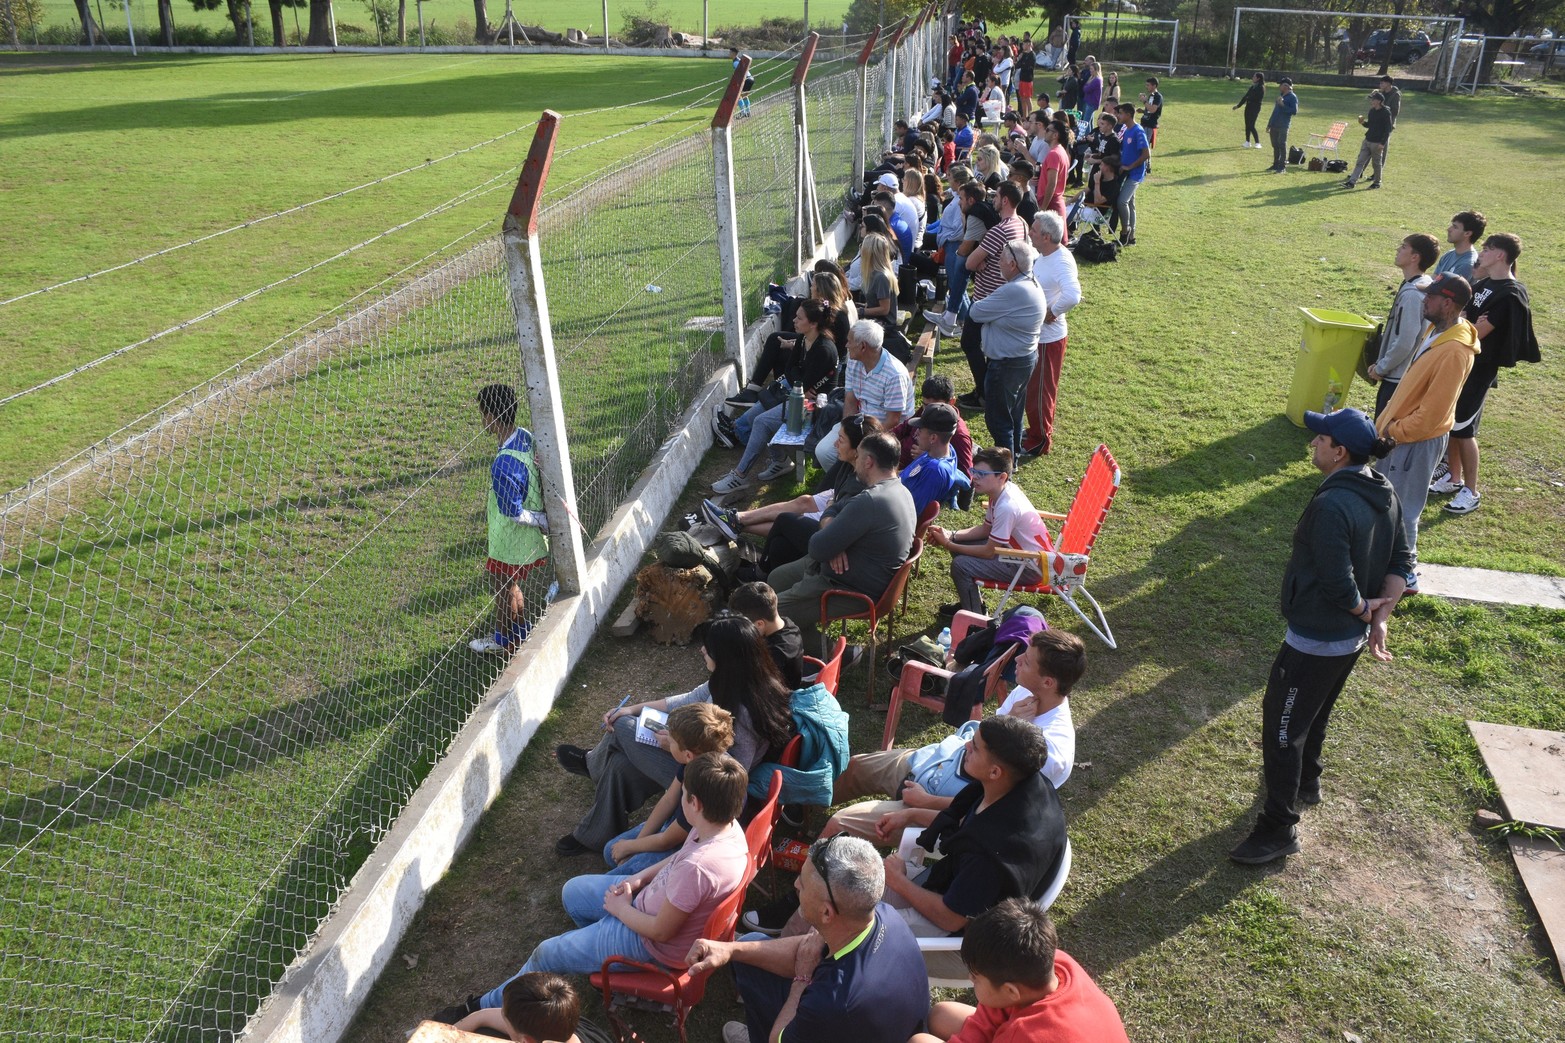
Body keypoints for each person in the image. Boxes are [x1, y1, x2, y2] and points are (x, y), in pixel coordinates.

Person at [1230, 409, 1411, 864]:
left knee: (1283, 728)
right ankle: (1308, 780)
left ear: (1339, 452)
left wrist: (1360, 608)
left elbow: (1336, 578)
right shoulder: (1382, 488)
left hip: (1317, 638)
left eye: (1320, 439)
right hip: (1347, 641)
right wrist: (1377, 617)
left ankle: (1278, 828)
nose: (1313, 445)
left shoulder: (1333, 505)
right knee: (1315, 711)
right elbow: (1402, 560)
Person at [473, 753, 751, 996]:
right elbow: (679, 856)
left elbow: (661, 931)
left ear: (696, 803)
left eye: (684, 794)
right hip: (644, 905)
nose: (680, 798)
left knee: (546, 952)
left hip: (650, 943)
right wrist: (640, 878)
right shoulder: (723, 825)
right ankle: (598, 955)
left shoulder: (698, 868)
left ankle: (488, 1004)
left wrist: (621, 910)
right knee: (572, 892)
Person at [554, 615, 795, 853]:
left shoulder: (742, 710)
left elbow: (730, 769)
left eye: (708, 648)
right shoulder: (738, 679)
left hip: (707, 779)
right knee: (619, 764)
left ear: (725, 656)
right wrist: (634, 708)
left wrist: (673, 746)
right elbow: (686, 700)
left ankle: (592, 765)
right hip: (692, 758)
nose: (701, 650)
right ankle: (595, 835)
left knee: (623, 726)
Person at [870, 714, 1068, 973]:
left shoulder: (990, 855)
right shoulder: (1027, 785)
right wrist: (911, 814)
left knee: (849, 922)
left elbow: (950, 918)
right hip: (956, 887)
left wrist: (899, 881)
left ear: (995, 771)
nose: (966, 747)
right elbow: (969, 821)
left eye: (974, 747)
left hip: (953, 934)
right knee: (846, 891)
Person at [690, 835, 930, 1043]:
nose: (795, 885)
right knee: (747, 950)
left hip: (842, 1021)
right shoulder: (883, 915)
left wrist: (802, 979)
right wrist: (730, 950)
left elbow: (779, 1039)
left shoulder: (832, 1001)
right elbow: (809, 947)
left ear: (827, 913)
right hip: (873, 1025)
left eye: (802, 884)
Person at [1372, 273, 1479, 588]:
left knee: (1404, 510)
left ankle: (1406, 574)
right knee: (1388, 504)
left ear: (1447, 303)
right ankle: (1386, 564)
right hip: (1403, 436)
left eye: (1430, 297)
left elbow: (1432, 414)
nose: (1424, 301)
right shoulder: (1437, 330)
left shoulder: (1455, 352)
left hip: (1415, 441)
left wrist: (1394, 430)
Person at [770, 431, 917, 649]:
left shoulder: (870, 500)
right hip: (849, 575)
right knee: (776, 578)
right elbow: (836, 508)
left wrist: (832, 539)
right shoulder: (900, 491)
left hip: (848, 588)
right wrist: (835, 537)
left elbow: (818, 546)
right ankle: (805, 641)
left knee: (770, 616)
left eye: (858, 456)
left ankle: (838, 654)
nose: (855, 462)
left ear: (868, 462)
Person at [908, 900, 1130, 1043]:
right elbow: (992, 1010)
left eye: (976, 977)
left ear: (1011, 991)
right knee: (941, 1013)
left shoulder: (1025, 1034)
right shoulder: (1057, 962)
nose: (970, 978)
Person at [1431, 234, 1541, 516]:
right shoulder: (1484, 284)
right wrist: (1468, 323)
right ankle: (1453, 479)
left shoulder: (1510, 294)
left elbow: (1476, 333)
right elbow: (1464, 322)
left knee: (1465, 431)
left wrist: (1467, 324)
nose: (1483, 252)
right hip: (1461, 365)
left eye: (1489, 249)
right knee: (1452, 425)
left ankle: (1472, 491)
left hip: (1478, 371)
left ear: (1501, 256)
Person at [704, 416, 884, 577]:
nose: (835, 444)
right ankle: (735, 520)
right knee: (803, 502)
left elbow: (835, 522)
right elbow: (830, 497)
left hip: (835, 534)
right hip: (834, 509)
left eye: (841, 440)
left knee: (785, 524)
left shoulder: (859, 484)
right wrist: (830, 503)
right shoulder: (847, 464)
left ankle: (759, 566)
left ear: (857, 450)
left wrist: (830, 506)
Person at [711, 299, 839, 494]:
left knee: (763, 421)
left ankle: (739, 476)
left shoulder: (823, 349)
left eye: (799, 317)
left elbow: (801, 381)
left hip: (817, 407)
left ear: (813, 323)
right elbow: (791, 372)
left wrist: (799, 380)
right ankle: (781, 461)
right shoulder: (804, 339)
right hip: (800, 396)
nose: (794, 320)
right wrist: (799, 380)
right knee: (757, 413)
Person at [600, 703, 736, 878]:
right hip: (674, 829)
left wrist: (630, 847)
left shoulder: (706, 791)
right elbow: (668, 801)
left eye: (671, 742)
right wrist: (636, 844)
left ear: (688, 754)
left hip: (685, 848)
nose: (667, 744)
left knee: (617, 876)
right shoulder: (694, 761)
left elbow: (668, 841)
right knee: (609, 852)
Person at [470, 384, 548, 655]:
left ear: (492, 416)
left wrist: (540, 520)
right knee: (511, 585)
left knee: (502, 589)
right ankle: (520, 632)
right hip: (521, 536)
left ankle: (502, 641)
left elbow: (512, 511)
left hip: (508, 537)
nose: (482, 421)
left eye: (483, 414)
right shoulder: (525, 437)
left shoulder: (503, 465)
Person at [929, 445, 1051, 610]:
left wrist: (948, 544)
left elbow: (988, 551)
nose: (975, 478)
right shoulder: (1001, 491)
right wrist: (951, 535)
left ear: (1002, 477)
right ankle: (973, 605)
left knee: (961, 565)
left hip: (1030, 567)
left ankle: (974, 619)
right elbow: (985, 530)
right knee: (960, 549)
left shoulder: (1007, 507)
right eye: (974, 472)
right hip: (1018, 554)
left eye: (982, 474)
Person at [968, 239, 1047, 459]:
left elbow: (975, 311)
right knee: (1013, 412)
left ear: (1013, 264)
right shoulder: (1029, 282)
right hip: (1023, 358)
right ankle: (1014, 456)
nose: (997, 262)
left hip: (1007, 364)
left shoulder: (1014, 291)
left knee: (998, 419)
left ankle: (1005, 470)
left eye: (1001, 259)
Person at [957, 182, 1028, 411]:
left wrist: (978, 263)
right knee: (988, 346)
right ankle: (986, 390)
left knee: (969, 342)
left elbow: (969, 261)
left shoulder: (999, 230)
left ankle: (984, 393)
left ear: (1005, 200)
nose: (992, 200)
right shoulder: (1023, 225)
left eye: (996, 196)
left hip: (986, 298)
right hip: (1004, 297)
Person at [815, 320, 915, 470]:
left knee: (855, 457)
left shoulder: (895, 375)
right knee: (823, 452)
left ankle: (857, 480)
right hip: (859, 423)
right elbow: (850, 400)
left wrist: (863, 443)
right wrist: (848, 431)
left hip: (884, 432)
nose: (846, 345)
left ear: (863, 346)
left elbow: (893, 421)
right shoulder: (855, 361)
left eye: (849, 341)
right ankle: (846, 480)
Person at [1366, 233, 1438, 417]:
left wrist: (1382, 367)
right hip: (1403, 374)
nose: (1398, 249)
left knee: (1383, 433)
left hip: (1398, 378)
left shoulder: (1413, 294)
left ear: (1415, 257)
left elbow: (1405, 340)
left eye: (1404, 246)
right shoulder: (1419, 284)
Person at [450, 972, 583, 1042]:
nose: (500, 1014)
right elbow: (483, 1016)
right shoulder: (560, 1018)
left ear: (526, 1041)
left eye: (505, 1018)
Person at [890, 374, 975, 474]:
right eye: (925, 405)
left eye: (934, 405)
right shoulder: (928, 410)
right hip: (891, 460)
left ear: (951, 402)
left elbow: (966, 477)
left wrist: (928, 459)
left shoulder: (959, 435)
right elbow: (903, 428)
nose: (928, 410)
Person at [730, 581, 805, 688]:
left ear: (760, 624)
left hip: (777, 698)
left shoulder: (776, 653)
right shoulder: (788, 624)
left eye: (744, 625)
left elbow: (751, 684)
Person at [1113, 104, 1149, 248]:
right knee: (1130, 203)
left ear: (1128, 114)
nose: (1118, 116)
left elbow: (1146, 154)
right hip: (1126, 172)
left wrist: (1129, 167)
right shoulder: (1127, 130)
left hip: (1135, 173)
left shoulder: (1138, 131)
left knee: (1122, 201)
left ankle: (1125, 231)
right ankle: (1131, 237)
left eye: (1120, 113)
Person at [1340, 90, 1391, 189]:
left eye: (1373, 99)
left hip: (1377, 143)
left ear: (1379, 101)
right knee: (1360, 161)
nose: (1371, 101)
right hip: (1367, 140)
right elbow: (1370, 125)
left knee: (1376, 163)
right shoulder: (1372, 111)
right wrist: (1363, 122)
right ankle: (1351, 182)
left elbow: (1387, 129)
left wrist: (1382, 143)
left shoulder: (1386, 113)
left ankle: (1377, 182)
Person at [1433, 210, 1485, 279]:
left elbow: (1446, 289)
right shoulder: (1449, 254)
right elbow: (1433, 280)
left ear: (1467, 233)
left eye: (1455, 227)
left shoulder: (1467, 264)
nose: (1449, 229)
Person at [1266, 77, 1298, 174]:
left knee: (1282, 144)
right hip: (1275, 124)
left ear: (1286, 86)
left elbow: (1294, 111)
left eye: (1281, 84)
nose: (1279, 86)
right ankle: (1276, 164)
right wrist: (1269, 124)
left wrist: (1283, 105)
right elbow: (1275, 112)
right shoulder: (1281, 95)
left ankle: (1282, 166)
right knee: (1275, 145)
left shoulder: (1292, 97)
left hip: (1283, 125)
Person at [1234, 72, 1265, 148]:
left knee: (1251, 125)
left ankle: (1257, 143)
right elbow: (1245, 97)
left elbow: (1256, 98)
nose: (1253, 78)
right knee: (1247, 125)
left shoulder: (1261, 87)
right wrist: (1238, 106)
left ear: (1258, 78)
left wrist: (1248, 98)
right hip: (1248, 107)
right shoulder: (1253, 87)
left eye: (1254, 77)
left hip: (1255, 108)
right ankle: (1247, 141)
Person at [1138, 76, 1163, 168]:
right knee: (1142, 144)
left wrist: (1144, 101)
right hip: (1144, 123)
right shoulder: (1151, 96)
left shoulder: (1158, 97)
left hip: (1150, 125)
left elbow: (1153, 110)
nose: (1146, 87)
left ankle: (1146, 165)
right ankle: (1144, 164)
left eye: (1148, 85)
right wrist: (1143, 111)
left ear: (1154, 86)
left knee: (1145, 146)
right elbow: (1149, 111)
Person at [1016, 39, 1037, 117]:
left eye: (1024, 44)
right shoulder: (1023, 54)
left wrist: (1022, 64)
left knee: (1027, 98)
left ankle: (1031, 116)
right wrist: (1020, 59)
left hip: (1028, 79)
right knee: (1022, 98)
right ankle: (1024, 116)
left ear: (1028, 44)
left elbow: (1029, 67)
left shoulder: (1032, 55)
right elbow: (1018, 65)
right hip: (1022, 78)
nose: (1022, 46)